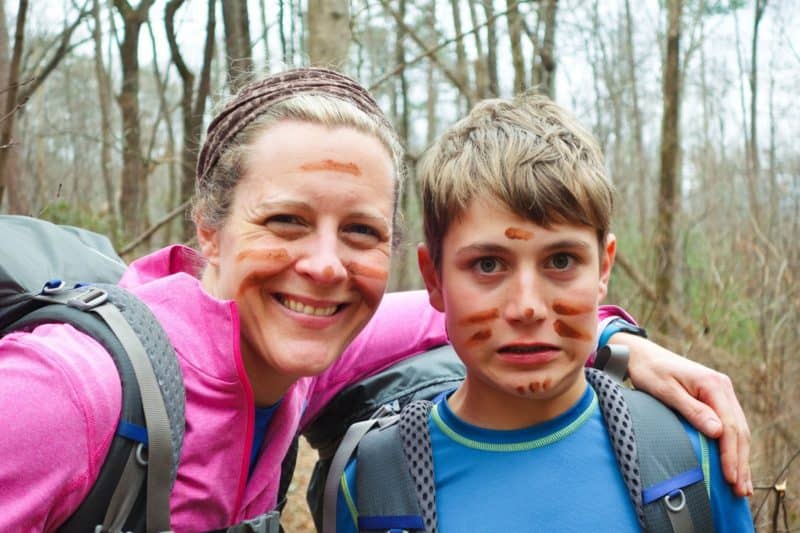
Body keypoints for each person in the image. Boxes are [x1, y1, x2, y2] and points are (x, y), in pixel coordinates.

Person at [0, 68, 749, 532]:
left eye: (359, 231)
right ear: (210, 231)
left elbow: (466, 311)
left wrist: (619, 342)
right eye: (286, 220)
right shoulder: (70, 391)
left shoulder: (297, 348)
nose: (324, 266)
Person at [335, 93, 753, 531]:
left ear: (603, 267)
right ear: (434, 278)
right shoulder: (374, 485)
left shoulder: (688, 460)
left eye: (560, 261)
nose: (527, 308)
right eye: (488, 265)